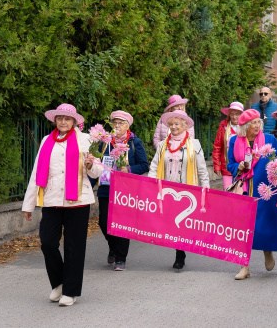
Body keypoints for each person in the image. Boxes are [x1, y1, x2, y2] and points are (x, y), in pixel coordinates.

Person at [22, 103, 104, 307]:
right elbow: (36, 172)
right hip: (51, 200)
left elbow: (99, 171)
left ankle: (71, 291)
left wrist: (91, 165)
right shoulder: (45, 141)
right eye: (60, 118)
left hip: (78, 200)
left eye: (67, 118)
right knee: (48, 243)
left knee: (74, 247)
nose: (63, 121)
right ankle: (58, 283)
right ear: (55, 120)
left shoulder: (86, 140)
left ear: (75, 121)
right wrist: (28, 204)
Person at [227, 109, 277, 280]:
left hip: (265, 189)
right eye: (253, 123)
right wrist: (237, 167)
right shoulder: (234, 141)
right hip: (244, 188)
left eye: (258, 122)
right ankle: (244, 267)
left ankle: (267, 251)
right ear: (245, 126)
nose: (257, 125)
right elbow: (230, 163)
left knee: (263, 225)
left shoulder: (269, 139)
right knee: (243, 228)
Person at [149, 110, 210, 269]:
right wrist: (150, 184)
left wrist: (205, 190)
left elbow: (202, 169)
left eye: (177, 124)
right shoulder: (163, 145)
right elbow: (154, 167)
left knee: (181, 224)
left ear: (184, 126)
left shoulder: (194, 144)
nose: (173, 127)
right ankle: (180, 250)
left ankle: (180, 255)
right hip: (167, 191)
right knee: (172, 223)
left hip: (187, 191)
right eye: (171, 124)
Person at [94, 110, 149, 271]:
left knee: (123, 224)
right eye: (114, 123)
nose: (117, 126)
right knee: (104, 223)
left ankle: (121, 258)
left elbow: (144, 164)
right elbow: (96, 163)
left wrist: (129, 169)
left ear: (127, 126)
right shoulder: (104, 142)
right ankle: (113, 247)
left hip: (127, 190)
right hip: (106, 187)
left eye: (121, 123)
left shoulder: (134, 142)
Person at [212, 102, 244, 191]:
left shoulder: (246, 127)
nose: (234, 117)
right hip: (226, 167)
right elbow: (217, 146)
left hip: (241, 167)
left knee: (240, 193)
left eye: (237, 114)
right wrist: (217, 166)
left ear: (241, 114)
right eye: (232, 114)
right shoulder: (223, 126)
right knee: (227, 191)